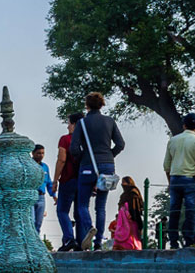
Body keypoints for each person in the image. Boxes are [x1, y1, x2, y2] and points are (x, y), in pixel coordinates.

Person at [70, 92, 125, 251]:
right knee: (100, 206)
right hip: (107, 166)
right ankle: (99, 242)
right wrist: (109, 155)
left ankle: (89, 228)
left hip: (88, 166)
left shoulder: (82, 123)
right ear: (102, 104)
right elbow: (120, 144)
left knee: (82, 204)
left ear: (87, 106)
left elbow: (74, 148)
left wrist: (83, 158)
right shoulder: (109, 121)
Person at [163, 113, 195, 249]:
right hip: (190, 179)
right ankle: (189, 241)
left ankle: (173, 242)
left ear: (184, 125)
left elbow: (166, 165)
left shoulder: (173, 140)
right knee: (190, 211)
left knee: (174, 211)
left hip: (175, 178)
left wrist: (170, 182)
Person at [54, 112, 84, 251]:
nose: (68, 127)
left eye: (70, 123)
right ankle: (81, 242)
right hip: (83, 180)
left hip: (68, 178)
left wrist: (55, 180)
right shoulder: (87, 141)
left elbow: (62, 159)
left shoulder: (65, 139)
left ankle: (69, 238)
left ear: (75, 125)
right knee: (80, 211)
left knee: (62, 211)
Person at [111, 176, 144, 250]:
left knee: (131, 238)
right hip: (122, 221)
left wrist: (133, 217)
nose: (123, 184)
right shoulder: (124, 195)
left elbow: (135, 208)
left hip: (131, 219)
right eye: (122, 182)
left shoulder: (133, 193)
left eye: (124, 182)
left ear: (129, 183)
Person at [33, 144, 55, 233]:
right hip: (31, 196)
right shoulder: (28, 165)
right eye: (38, 153)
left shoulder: (45, 167)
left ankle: (36, 243)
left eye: (42, 153)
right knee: (31, 221)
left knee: (38, 222)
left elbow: (48, 182)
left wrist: (53, 195)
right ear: (33, 153)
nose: (41, 155)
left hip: (41, 197)